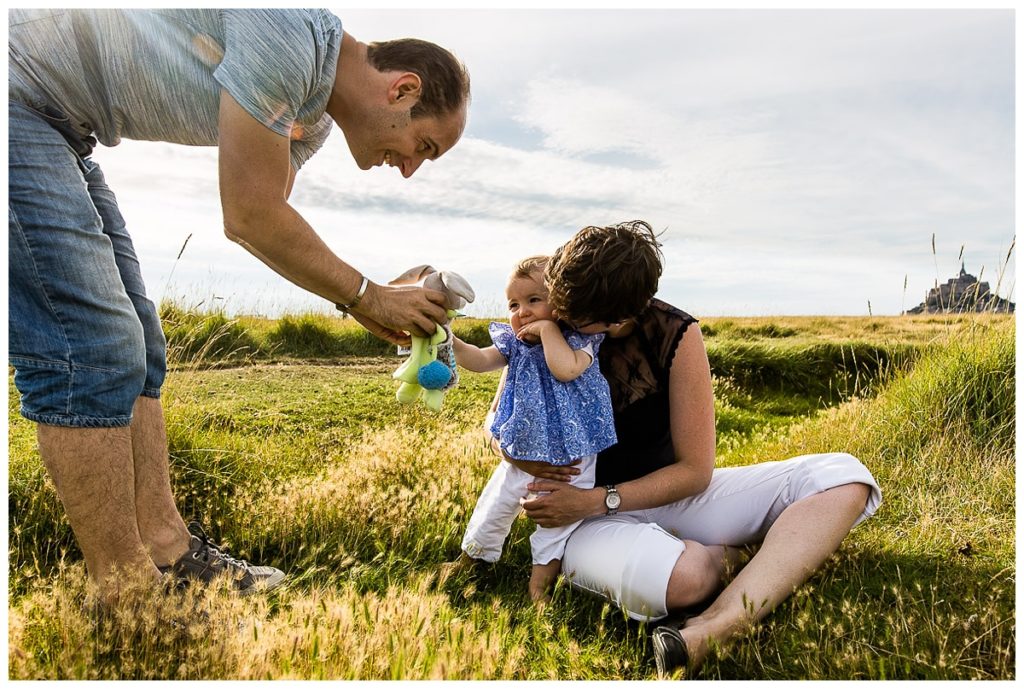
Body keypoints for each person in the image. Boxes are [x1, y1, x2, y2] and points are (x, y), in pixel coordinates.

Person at [8, 8, 471, 606]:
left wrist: (370, 300)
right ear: (402, 87)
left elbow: (269, 229)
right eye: (422, 146)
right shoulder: (289, 33)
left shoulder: (312, 116)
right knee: (92, 346)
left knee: (141, 347)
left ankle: (168, 549)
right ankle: (126, 599)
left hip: (65, 130)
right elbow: (248, 213)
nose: (408, 169)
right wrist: (367, 294)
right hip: (17, 98)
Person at [513, 221, 882, 676]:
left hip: (665, 497)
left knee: (844, 477)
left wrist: (598, 497)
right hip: (576, 521)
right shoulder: (545, 322)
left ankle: (714, 627)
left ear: (623, 316)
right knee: (688, 579)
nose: (563, 321)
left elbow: (694, 472)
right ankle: (756, 558)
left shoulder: (674, 333)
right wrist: (528, 466)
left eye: (579, 319)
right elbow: (499, 427)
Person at [447, 256, 617, 602]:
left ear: (562, 302)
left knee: (555, 522)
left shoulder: (579, 341)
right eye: (513, 304)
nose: (522, 312)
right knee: (494, 506)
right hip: (523, 447)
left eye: (534, 300)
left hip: (572, 455)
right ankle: (469, 561)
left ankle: (538, 587)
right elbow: (480, 361)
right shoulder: (514, 343)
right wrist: (448, 339)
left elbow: (565, 370)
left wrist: (549, 330)